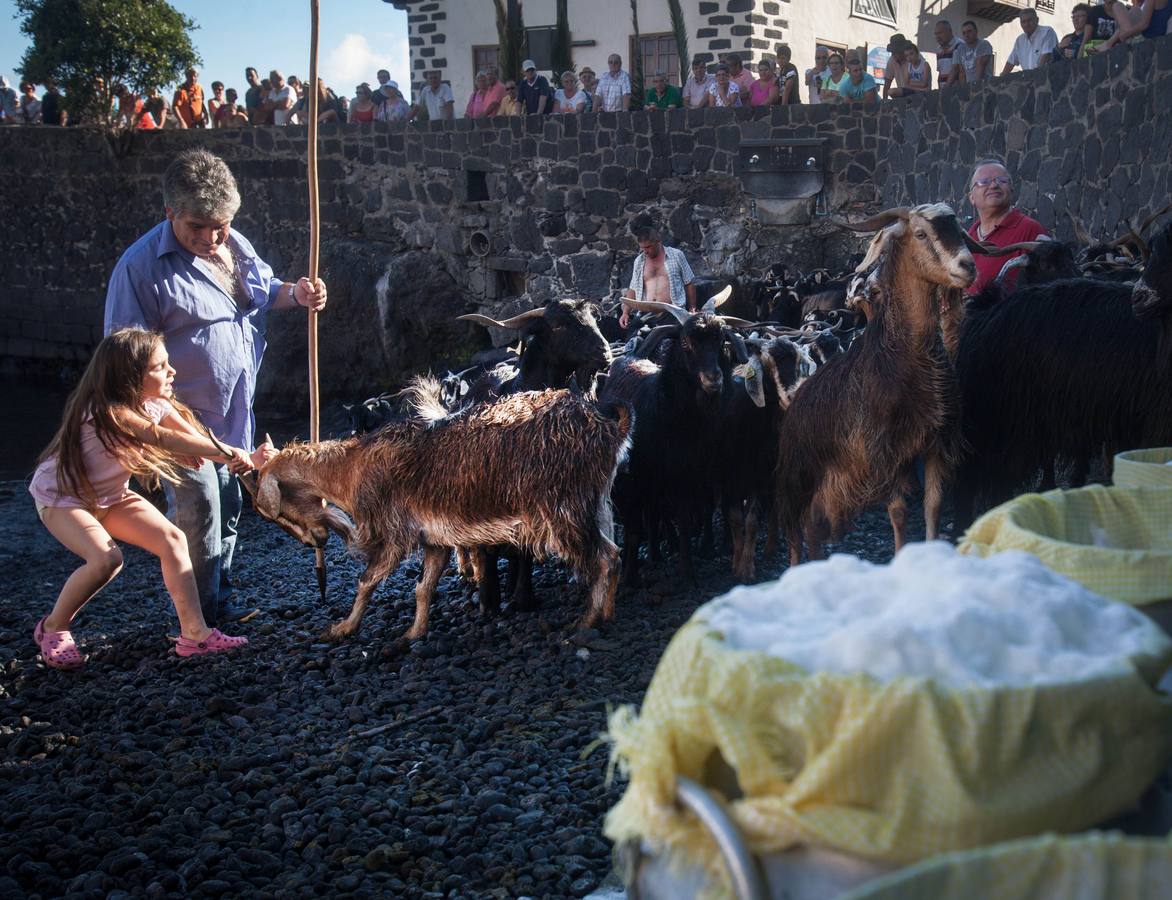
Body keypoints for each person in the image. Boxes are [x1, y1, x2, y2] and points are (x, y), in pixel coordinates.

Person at [104, 149, 328, 627]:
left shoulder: (236, 245)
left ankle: (217, 604)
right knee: (199, 514)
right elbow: (122, 365)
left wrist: (299, 294)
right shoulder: (140, 269)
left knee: (226, 509)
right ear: (171, 213)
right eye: (198, 227)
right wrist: (158, 427)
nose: (211, 237)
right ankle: (197, 623)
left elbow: (267, 292)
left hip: (235, 419)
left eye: (220, 225)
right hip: (180, 425)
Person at [29, 328, 254, 668]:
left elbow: (190, 436)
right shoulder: (106, 409)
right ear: (131, 376)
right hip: (62, 499)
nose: (172, 371)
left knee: (172, 539)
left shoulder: (155, 404)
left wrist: (245, 455)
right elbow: (157, 436)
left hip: (110, 497)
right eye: (161, 367)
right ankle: (52, 627)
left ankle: (195, 635)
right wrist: (227, 452)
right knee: (106, 560)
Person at [965, 159, 1048, 294]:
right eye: (984, 182)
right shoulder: (967, 239)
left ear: (1011, 189)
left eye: (1001, 180)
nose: (993, 185)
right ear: (971, 197)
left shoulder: (1030, 231)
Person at [619, 226, 697, 329]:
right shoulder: (639, 261)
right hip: (646, 314)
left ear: (658, 241)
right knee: (633, 340)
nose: (645, 251)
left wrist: (692, 310)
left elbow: (689, 283)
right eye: (642, 248)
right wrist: (625, 313)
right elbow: (633, 289)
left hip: (672, 313)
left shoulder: (676, 255)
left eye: (648, 247)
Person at [1091, 0, 1172, 51]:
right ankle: (1109, 43)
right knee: (1135, 10)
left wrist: (1124, 34)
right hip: (1157, 36)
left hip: (1144, 39)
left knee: (1117, 6)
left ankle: (1108, 44)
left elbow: (1144, 24)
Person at [1001, 9, 1058, 74]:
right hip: (1030, 81)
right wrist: (1001, 77)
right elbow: (1011, 62)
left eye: (1029, 20)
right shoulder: (1020, 40)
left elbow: (1046, 56)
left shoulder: (1047, 32)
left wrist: (1034, 76)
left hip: (1047, 79)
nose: (1026, 24)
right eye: (1023, 22)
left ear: (1037, 20)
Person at [934, 21, 965, 87]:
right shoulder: (938, 49)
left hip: (956, 90)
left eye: (940, 33)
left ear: (950, 31)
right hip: (944, 91)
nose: (937, 36)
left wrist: (946, 88)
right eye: (936, 34)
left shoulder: (959, 45)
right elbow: (940, 72)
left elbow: (956, 69)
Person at [883, 34, 910, 98]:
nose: (893, 55)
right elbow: (887, 84)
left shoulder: (913, 57)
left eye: (895, 52)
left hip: (917, 91)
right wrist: (884, 101)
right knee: (891, 92)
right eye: (892, 52)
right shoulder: (892, 60)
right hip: (903, 93)